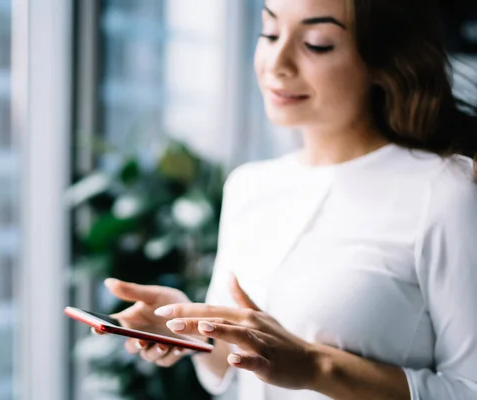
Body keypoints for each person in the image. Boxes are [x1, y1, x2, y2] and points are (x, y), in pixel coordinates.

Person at [99, 0, 477, 398]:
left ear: (385, 61)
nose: (277, 63)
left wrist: (316, 367)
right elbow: (238, 369)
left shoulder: (445, 191)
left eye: (316, 44)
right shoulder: (249, 186)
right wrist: (193, 332)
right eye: (270, 33)